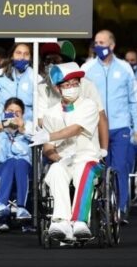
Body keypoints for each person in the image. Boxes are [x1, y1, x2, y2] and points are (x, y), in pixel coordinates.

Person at [33, 62, 104, 241]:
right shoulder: (50, 114)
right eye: (67, 85)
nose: (72, 88)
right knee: (55, 170)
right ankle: (60, 222)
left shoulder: (89, 105)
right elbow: (48, 149)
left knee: (83, 170)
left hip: (88, 158)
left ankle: (80, 222)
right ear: (58, 89)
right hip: (64, 159)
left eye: (75, 83)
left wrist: (48, 136)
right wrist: (57, 158)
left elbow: (75, 129)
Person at [81, 30, 137, 218]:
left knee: (120, 167)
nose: (99, 46)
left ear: (112, 45)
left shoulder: (125, 68)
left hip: (120, 127)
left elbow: (134, 100)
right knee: (99, 168)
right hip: (96, 127)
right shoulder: (87, 68)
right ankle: (99, 208)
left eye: (102, 42)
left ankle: (120, 208)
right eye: (96, 43)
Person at [0, 97, 33, 232]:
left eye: (17, 112)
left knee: (19, 162)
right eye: (10, 111)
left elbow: (27, 153)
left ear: (22, 114)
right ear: (4, 112)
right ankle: (18, 206)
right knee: (12, 161)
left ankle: (5, 204)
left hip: (24, 169)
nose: (14, 114)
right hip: (1, 169)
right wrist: (0, 132)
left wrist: (22, 130)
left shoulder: (28, 127)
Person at [0, 43, 35, 132]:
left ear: (30, 58)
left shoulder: (35, 78)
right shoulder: (1, 74)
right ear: (12, 56)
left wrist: (28, 128)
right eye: (18, 53)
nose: (22, 57)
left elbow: (42, 108)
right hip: (0, 132)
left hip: (24, 134)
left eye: (26, 54)